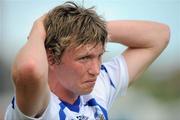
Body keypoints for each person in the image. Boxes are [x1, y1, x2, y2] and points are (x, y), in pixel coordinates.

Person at [5, 1, 170, 120]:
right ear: (51, 58)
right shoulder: (39, 103)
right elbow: (29, 68)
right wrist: (39, 27)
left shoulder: (99, 86)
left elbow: (160, 35)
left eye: (99, 56)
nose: (96, 70)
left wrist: (90, 29)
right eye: (85, 58)